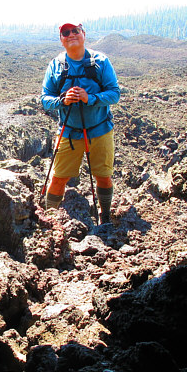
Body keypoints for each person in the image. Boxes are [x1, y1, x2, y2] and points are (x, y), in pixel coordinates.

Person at [41, 22, 120, 223]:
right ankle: (50, 222)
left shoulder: (101, 61)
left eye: (75, 31)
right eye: (65, 32)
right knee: (58, 178)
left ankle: (105, 216)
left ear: (83, 34)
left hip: (100, 130)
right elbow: (45, 99)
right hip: (69, 133)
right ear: (61, 39)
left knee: (103, 176)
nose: (71, 35)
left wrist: (90, 98)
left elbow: (114, 94)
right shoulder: (55, 65)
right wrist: (63, 100)